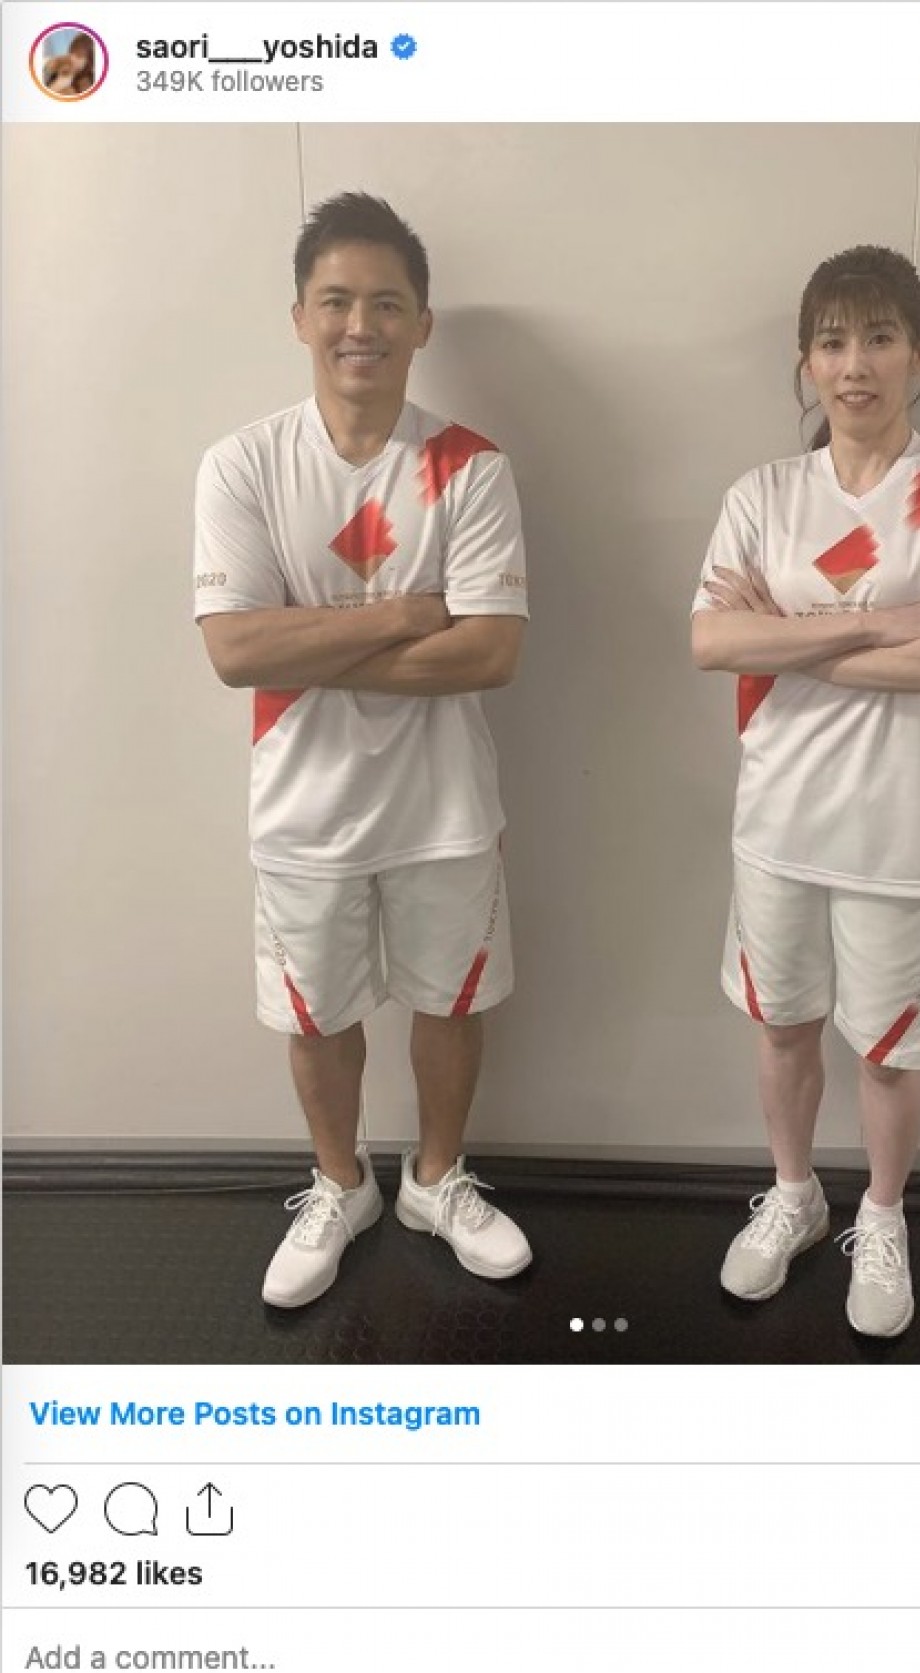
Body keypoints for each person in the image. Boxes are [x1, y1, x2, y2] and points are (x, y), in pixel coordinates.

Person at [194, 193, 532, 1308]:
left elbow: (489, 653)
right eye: (336, 300)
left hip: (444, 803)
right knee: (317, 1014)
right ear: (299, 316)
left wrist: (309, 642)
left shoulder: (470, 467)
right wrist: (402, 615)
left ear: (422, 323)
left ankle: (435, 1180)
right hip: (305, 808)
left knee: (452, 1001)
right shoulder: (243, 465)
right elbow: (235, 652)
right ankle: (341, 1185)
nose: (360, 325)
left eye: (387, 303)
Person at [692, 244, 920, 1338]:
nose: (855, 364)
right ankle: (793, 1196)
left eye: (879, 338)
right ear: (806, 363)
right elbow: (710, 641)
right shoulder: (764, 495)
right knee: (785, 1028)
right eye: (832, 342)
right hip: (780, 821)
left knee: (889, 1050)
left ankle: (881, 1216)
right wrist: (878, 623)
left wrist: (786, 638)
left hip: (908, 830)